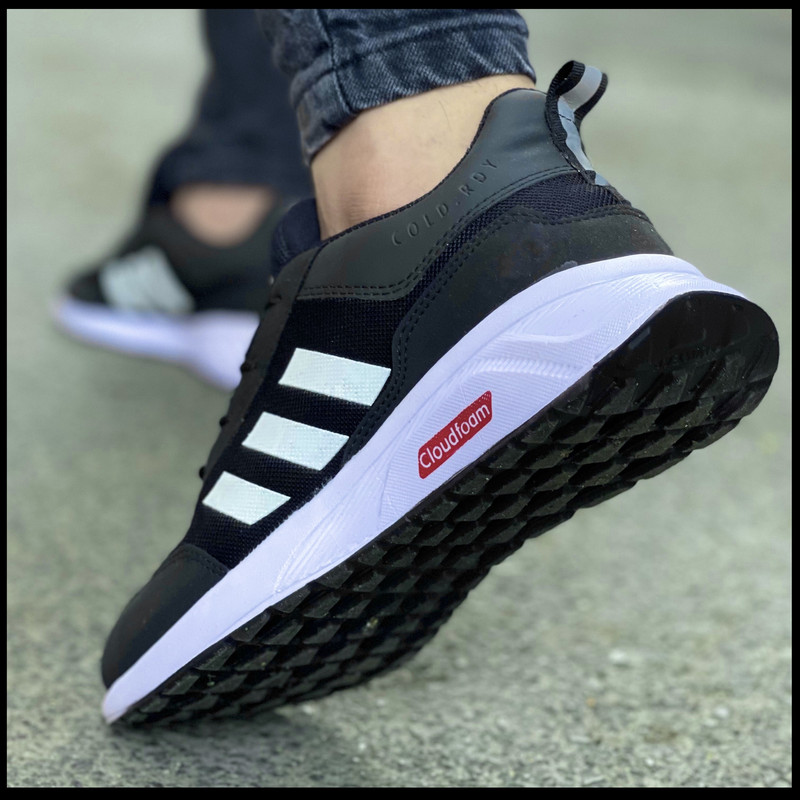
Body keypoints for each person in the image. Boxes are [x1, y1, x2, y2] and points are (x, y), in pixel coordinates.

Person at [59, 11, 779, 726]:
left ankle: (417, 170)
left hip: (436, 235)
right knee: (244, 184)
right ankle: (239, 191)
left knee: (413, 102)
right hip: (515, 207)